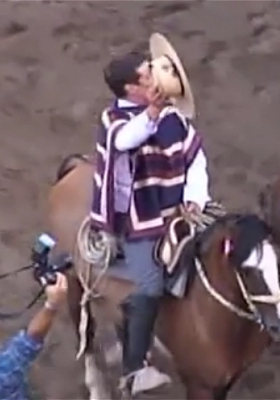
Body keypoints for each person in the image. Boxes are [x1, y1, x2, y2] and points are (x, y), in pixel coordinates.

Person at [90, 33, 210, 395]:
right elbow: (127, 140)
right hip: (140, 217)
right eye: (148, 75)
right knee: (149, 287)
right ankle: (134, 367)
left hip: (180, 210)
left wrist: (195, 199)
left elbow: (196, 160)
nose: (156, 78)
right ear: (131, 88)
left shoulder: (175, 118)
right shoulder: (114, 119)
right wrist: (153, 113)